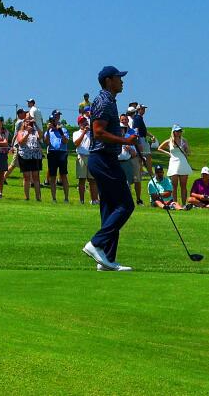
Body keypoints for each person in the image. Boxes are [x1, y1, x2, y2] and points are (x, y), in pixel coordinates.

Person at [82, 65, 138, 271]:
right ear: (108, 81)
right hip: (103, 159)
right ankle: (96, 243)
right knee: (126, 205)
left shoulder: (109, 101)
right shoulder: (104, 101)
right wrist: (126, 141)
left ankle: (106, 259)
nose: (122, 81)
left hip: (105, 158)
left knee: (110, 208)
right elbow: (98, 132)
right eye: (118, 78)